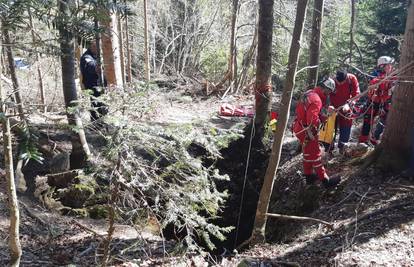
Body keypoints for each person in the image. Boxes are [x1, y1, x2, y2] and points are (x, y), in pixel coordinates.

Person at [293, 77, 341, 187]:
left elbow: (307, 112)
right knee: (315, 155)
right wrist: (323, 119)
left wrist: (323, 114)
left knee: (307, 153)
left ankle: (308, 176)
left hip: (299, 128)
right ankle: (326, 181)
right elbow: (312, 120)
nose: (328, 94)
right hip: (307, 132)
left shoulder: (310, 93)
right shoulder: (317, 100)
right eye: (329, 92)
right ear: (326, 89)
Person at [359, 56, 396, 145]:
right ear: (382, 66)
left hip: (386, 104)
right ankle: (363, 142)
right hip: (375, 103)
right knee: (367, 122)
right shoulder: (377, 79)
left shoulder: (394, 77)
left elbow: (393, 89)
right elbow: (372, 92)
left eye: (390, 65)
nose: (390, 67)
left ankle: (376, 139)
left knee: (384, 123)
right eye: (388, 65)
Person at [330, 70, 360, 152]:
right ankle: (329, 149)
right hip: (333, 108)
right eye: (338, 82)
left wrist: (350, 103)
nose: (339, 84)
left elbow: (356, 94)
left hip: (346, 107)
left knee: (346, 127)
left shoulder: (351, 79)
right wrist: (329, 106)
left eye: (342, 82)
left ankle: (342, 148)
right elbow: (326, 93)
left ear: (346, 78)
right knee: (330, 128)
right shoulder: (331, 80)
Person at [80, 41, 107, 122]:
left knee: (103, 104)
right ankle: (96, 124)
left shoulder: (96, 56)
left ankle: (103, 122)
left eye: (98, 47)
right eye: (94, 46)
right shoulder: (86, 57)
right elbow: (91, 66)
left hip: (100, 85)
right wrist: (102, 64)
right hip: (92, 86)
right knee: (95, 105)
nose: (97, 49)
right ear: (91, 46)